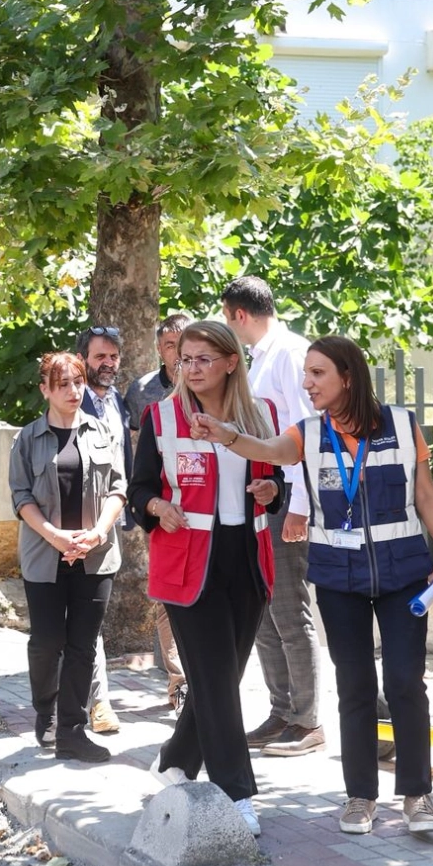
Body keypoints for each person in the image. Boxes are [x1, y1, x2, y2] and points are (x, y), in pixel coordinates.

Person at [190, 335, 433, 836]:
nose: (307, 383)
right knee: (354, 686)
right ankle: (360, 797)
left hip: (404, 575)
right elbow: (268, 450)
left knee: (405, 683)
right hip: (338, 578)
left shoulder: (402, 425)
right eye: (306, 374)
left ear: (348, 378)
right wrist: (227, 435)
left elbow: (425, 494)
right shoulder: (309, 434)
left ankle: (417, 796)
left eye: (317, 374)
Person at [129, 320, 285, 838]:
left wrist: (272, 493)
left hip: (247, 560)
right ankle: (235, 793)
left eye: (203, 359)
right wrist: (158, 507)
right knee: (216, 680)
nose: (191, 369)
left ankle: (175, 758)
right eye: (185, 360)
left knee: (221, 679)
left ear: (230, 362)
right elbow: (139, 490)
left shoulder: (262, 415)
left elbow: (276, 478)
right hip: (188, 565)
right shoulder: (161, 416)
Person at [222, 275, 324, 757]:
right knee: (262, 610)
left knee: (288, 610)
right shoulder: (260, 358)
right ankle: (282, 711)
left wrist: (299, 506)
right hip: (263, 498)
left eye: (227, 317)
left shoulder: (290, 354)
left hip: (287, 501)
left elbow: (308, 434)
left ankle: (307, 719)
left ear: (240, 314)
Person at [9, 352, 128, 763]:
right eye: (63, 384)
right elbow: (21, 496)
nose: (73, 391)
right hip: (45, 555)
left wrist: (98, 533)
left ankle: (72, 731)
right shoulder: (28, 438)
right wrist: (56, 537)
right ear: (45, 389)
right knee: (47, 641)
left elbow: (117, 488)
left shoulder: (102, 431)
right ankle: (46, 711)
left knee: (82, 645)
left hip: (96, 556)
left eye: (78, 382)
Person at [124, 314, 191, 713]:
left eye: (183, 343)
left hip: (205, 507)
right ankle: (179, 683)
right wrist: (144, 504)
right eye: (169, 345)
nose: (178, 353)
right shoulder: (142, 392)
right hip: (160, 509)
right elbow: (136, 453)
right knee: (168, 595)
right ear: (159, 350)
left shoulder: (212, 385)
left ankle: (207, 678)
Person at [70, 324, 129, 734]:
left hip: (113, 520)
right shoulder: (73, 400)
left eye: (113, 356)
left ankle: (86, 695)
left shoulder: (118, 402)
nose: (107, 363)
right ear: (83, 360)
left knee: (93, 614)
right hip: (79, 523)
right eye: (99, 357)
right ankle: (98, 701)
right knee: (85, 614)